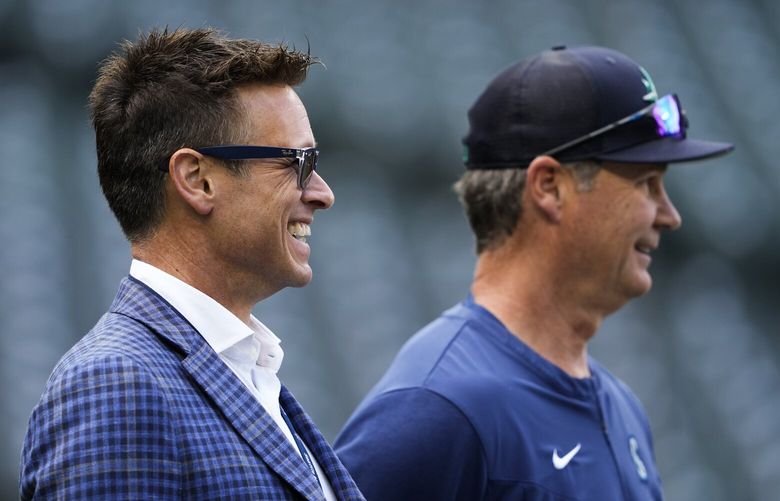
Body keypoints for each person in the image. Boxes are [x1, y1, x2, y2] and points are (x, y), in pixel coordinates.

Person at [334, 45, 733, 500]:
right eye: (646, 184)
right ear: (549, 187)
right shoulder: (437, 407)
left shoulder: (621, 406)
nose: (670, 215)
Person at [20, 27, 363, 501]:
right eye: (297, 162)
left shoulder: (243, 369)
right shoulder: (117, 387)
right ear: (197, 179)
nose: (322, 193)